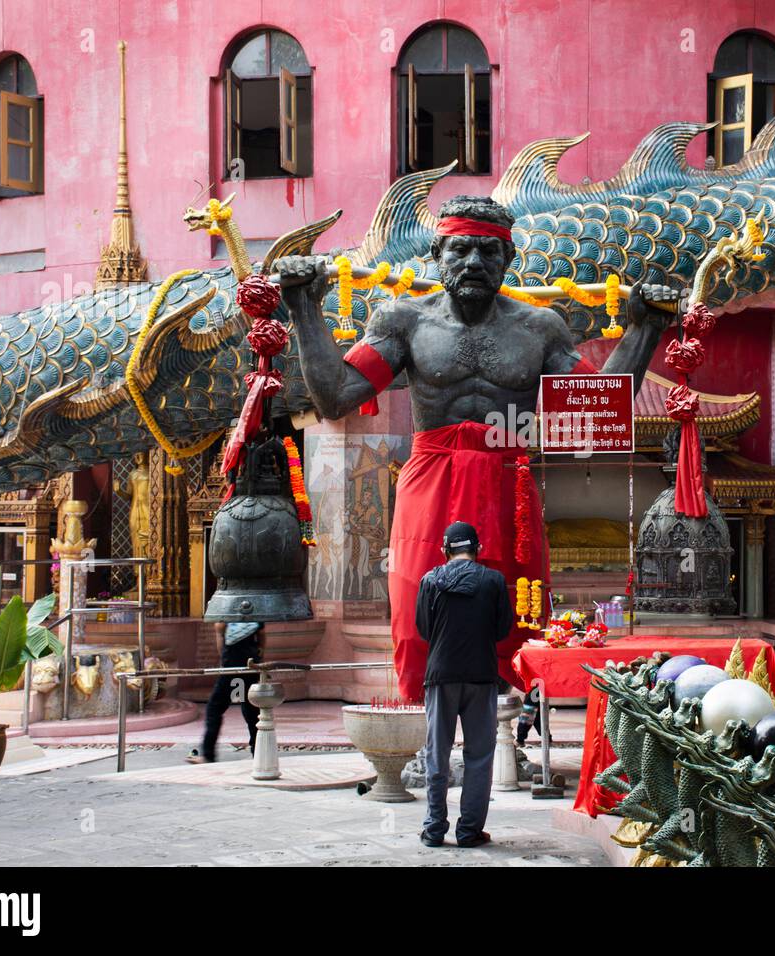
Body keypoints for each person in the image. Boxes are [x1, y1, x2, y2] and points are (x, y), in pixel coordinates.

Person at [278, 196, 679, 702]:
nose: (474, 263)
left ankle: (513, 731)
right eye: (461, 249)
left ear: (508, 260)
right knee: (415, 606)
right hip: (430, 478)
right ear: (436, 255)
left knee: (517, 606)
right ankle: (427, 726)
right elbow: (336, 397)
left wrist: (647, 329)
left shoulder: (540, 327)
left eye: (489, 252)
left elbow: (596, 409)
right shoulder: (403, 320)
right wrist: (302, 309)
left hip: (506, 479)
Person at [414, 521, 513, 848]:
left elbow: (424, 630)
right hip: (481, 677)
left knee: (437, 754)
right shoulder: (494, 581)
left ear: (445, 549)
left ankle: (433, 829)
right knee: (479, 756)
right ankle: (469, 831)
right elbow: (501, 631)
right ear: (478, 549)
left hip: (441, 677)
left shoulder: (430, 581)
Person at [187, 621, 262, 764]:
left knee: (214, 709)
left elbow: (221, 643)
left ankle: (208, 755)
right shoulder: (255, 614)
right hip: (249, 669)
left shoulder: (228, 614)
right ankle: (258, 753)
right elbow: (262, 639)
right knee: (250, 711)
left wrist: (219, 634)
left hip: (232, 670)